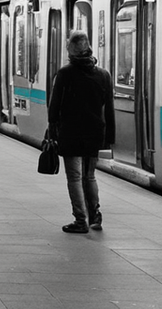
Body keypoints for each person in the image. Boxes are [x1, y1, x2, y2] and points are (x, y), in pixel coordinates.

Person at [48, 30, 114, 234]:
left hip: (71, 132)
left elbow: (54, 106)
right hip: (95, 133)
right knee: (90, 176)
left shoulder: (65, 74)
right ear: (88, 49)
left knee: (75, 177)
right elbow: (108, 108)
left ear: (70, 49)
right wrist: (109, 138)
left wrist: (52, 130)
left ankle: (80, 220)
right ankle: (95, 217)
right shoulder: (103, 75)